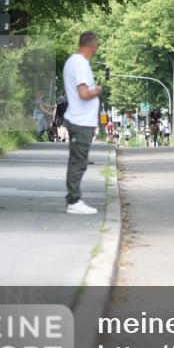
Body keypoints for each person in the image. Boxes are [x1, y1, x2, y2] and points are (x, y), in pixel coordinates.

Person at [62, 31, 103, 215]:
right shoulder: (80, 64)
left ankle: (74, 198)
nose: (97, 50)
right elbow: (84, 93)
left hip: (80, 119)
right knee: (78, 162)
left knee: (78, 160)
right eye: (97, 46)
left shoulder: (74, 62)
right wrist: (98, 90)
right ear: (92, 45)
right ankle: (74, 200)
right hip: (80, 121)